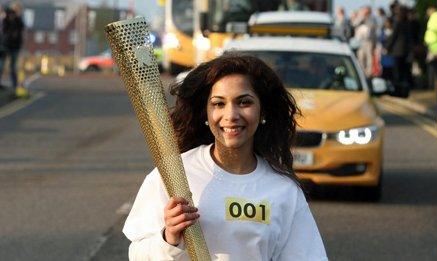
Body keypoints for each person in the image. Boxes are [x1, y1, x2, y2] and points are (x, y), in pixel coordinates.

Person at [123, 54, 328, 260]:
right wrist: (169, 238)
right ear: (205, 113)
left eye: (244, 102)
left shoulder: (284, 190)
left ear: (262, 111)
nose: (231, 115)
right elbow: (137, 254)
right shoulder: (173, 174)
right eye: (219, 104)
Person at [386, 5, 412, 98]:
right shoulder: (408, 23)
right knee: (404, 72)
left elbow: (394, 36)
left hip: (398, 51)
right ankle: (404, 90)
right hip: (405, 51)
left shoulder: (398, 23)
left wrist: (388, 47)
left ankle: (398, 91)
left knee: (397, 73)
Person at [0, 1, 24, 92]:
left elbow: (21, 30)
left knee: (13, 67)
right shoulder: (6, 16)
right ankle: (13, 85)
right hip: (5, 44)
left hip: (15, 46)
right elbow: (4, 29)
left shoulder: (19, 19)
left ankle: (15, 85)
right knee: (2, 65)